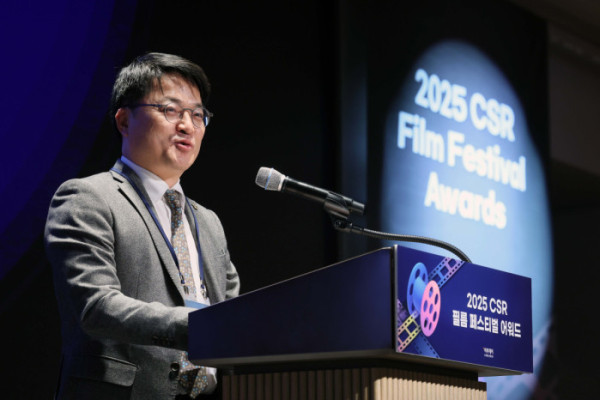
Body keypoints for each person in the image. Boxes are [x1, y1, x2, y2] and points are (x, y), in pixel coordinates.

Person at [45, 52, 240, 399]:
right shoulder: (87, 198)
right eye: (170, 110)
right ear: (124, 120)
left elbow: (232, 313)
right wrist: (199, 326)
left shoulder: (208, 221)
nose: (187, 125)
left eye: (197, 115)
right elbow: (96, 306)